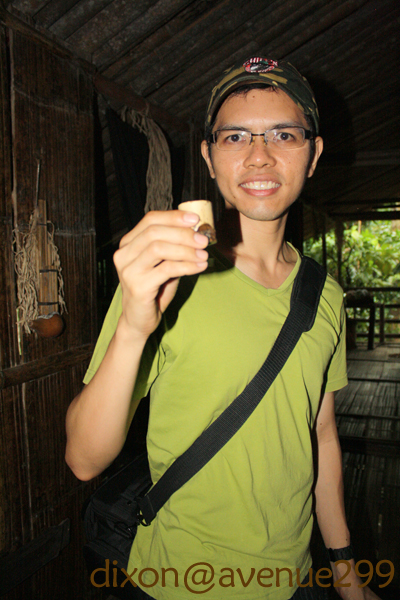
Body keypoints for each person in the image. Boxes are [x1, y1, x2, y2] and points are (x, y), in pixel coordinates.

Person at [65, 57, 381, 600]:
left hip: (294, 577)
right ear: (210, 158)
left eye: (284, 134)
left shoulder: (324, 294)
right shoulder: (165, 277)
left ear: (313, 155)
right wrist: (134, 327)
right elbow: (83, 459)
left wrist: (345, 570)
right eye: (236, 136)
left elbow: (321, 432)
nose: (259, 155)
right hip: (178, 581)